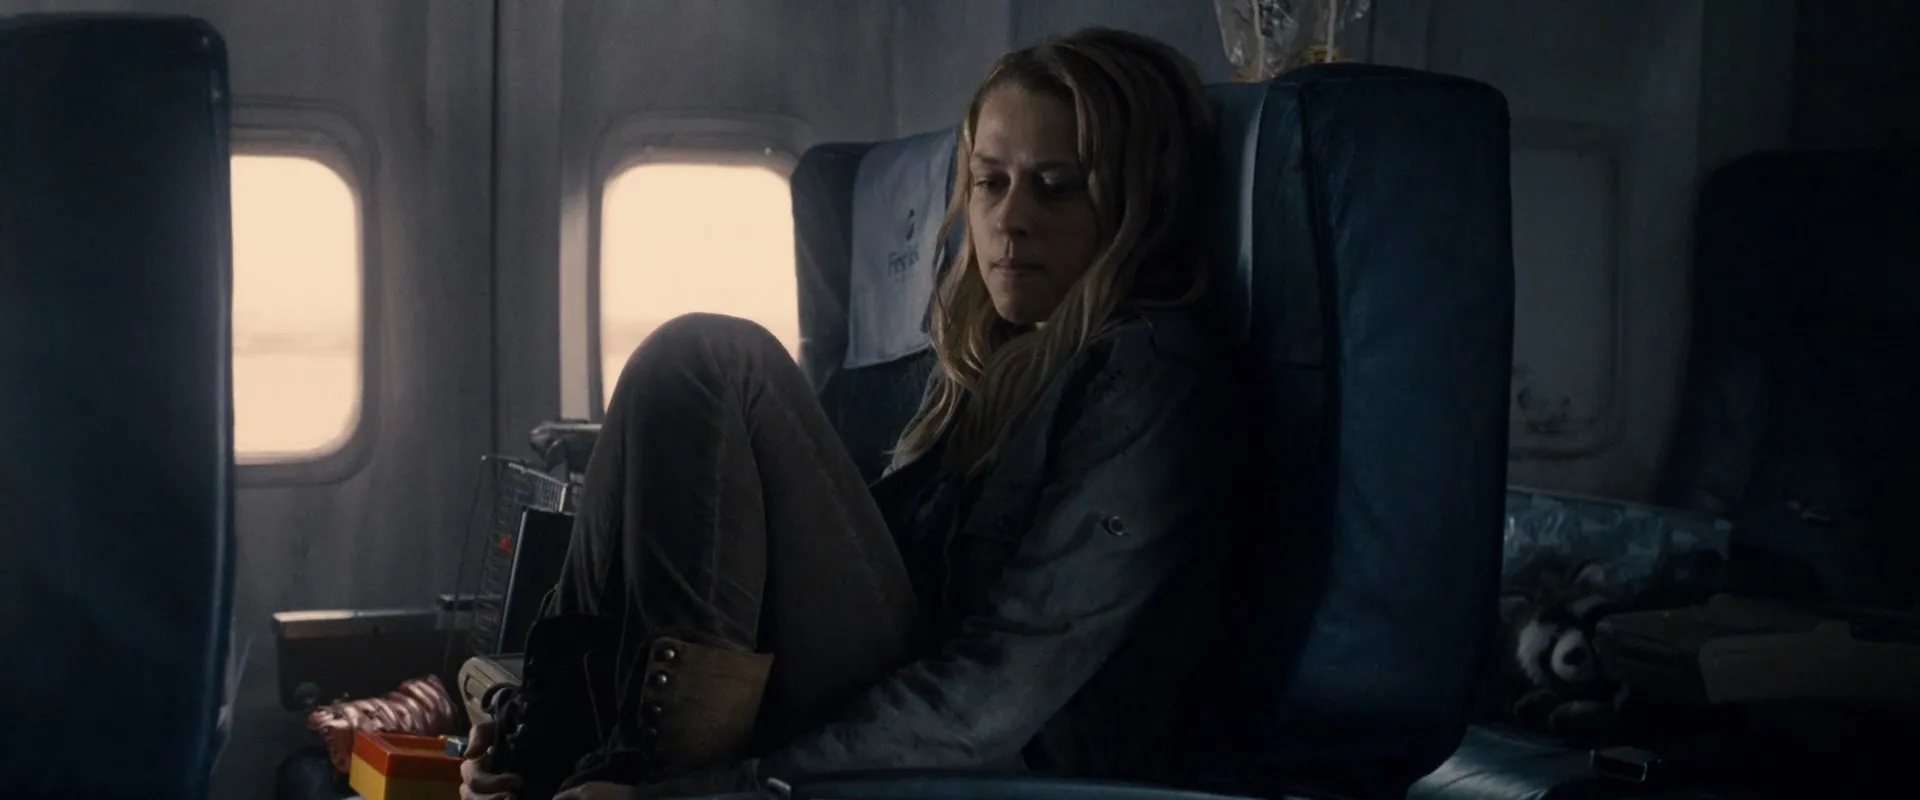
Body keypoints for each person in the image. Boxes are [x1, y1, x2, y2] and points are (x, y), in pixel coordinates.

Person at [461, 26, 1241, 800]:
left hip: (1000, 750)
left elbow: (1002, 685)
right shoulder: (990, 360)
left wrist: (702, 795)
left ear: (1136, 205)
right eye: (989, 182)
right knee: (658, 378)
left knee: (713, 360)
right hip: (892, 695)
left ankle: (640, 772)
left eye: (1057, 186)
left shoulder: (1145, 374)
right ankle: (543, 753)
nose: (1010, 219)